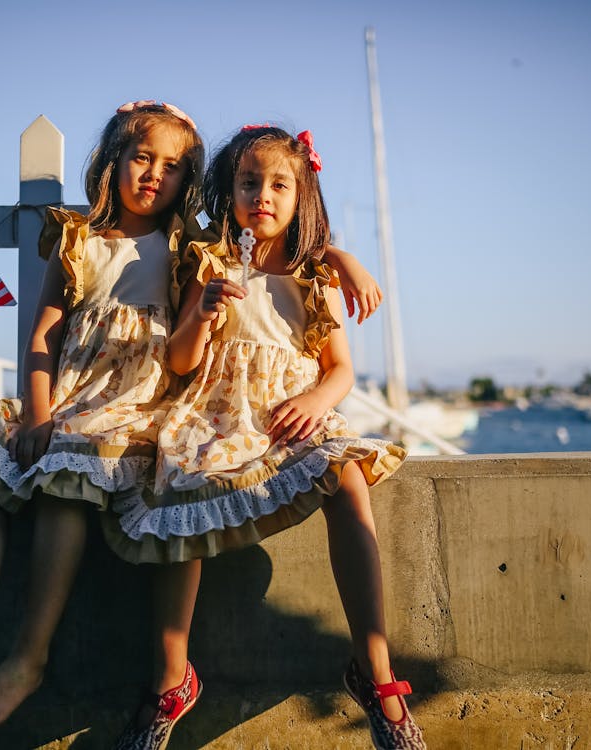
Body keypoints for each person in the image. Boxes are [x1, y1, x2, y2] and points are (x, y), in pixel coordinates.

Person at [0, 103, 383, 732]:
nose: (156, 175)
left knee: (74, 481)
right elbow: (64, 338)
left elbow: (316, 332)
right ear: (113, 163)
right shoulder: (125, 247)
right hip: (101, 404)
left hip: (171, 410)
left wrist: (339, 259)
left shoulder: (227, 255)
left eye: (175, 166)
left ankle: (29, 658)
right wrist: (40, 410)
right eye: (143, 158)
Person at [105, 125, 425, 750]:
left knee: (348, 477)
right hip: (218, 415)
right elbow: (178, 362)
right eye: (249, 182)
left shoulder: (313, 274)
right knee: (182, 489)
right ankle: (171, 677)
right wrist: (201, 316)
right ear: (230, 189)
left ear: (301, 193)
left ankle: (376, 672)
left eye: (280, 184)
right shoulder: (212, 263)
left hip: (290, 416)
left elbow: (341, 371)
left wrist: (314, 398)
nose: (263, 196)